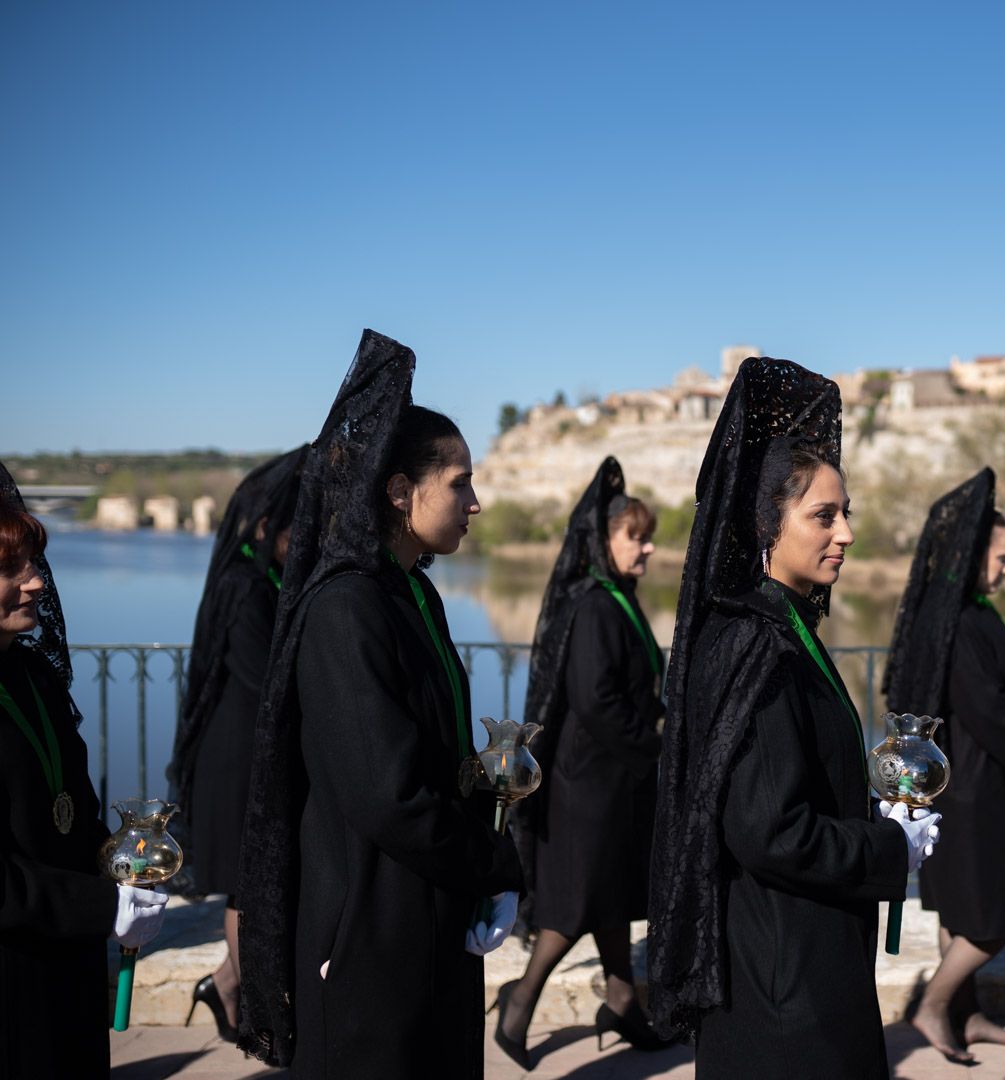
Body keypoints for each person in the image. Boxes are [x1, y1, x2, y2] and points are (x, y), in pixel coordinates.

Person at [235, 330, 523, 1077]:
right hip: (369, 937)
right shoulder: (347, 607)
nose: (475, 502)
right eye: (458, 483)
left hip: (425, 917)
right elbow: (387, 793)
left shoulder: (409, 589)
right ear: (400, 492)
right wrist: (492, 863)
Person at [647, 356, 940, 1079]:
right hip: (783, 991)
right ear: (765, 525)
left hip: (801, 965)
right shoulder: (755, 644)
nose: (844, 533)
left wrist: (874, 810)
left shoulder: (782, 629)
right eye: (823, 516)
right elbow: (769, 831)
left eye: (846, 515)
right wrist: (887, 852)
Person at [497, 457, 668, 1065]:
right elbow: (596, 702)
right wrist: (658, 747)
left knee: (611, 894)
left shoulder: (617, 598)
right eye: (636, 537)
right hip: (587, 781)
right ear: (603, 540)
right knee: (574, 905)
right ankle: (517, 1009)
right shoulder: (597, 605)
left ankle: (621, 1001)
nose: (647, 549)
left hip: (611, 778)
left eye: (649, 537)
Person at [0, 462, 168, 1074]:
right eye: (10, 569)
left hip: (61, 960)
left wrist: (124, 859)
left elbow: (69, 810)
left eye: (34, 564)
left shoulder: (33, 674)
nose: (37, 583)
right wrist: (101, 909)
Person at [882, 468, 1005, 1063]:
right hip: (976, 792)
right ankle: (934, 1005)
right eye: (1001, 558)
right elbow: (989, 714)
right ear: (972, 556)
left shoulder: (964, 610)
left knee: (963, 909)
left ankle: (968, 1012)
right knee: (992, 919)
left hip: (966, 785)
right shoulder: (960, 621)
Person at [168, 445, 305, 1041]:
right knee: (247, 888)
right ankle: (245, 997)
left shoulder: (266, 576)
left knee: (258, 885)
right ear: (269, 524)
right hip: (234, 761)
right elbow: (263, 676)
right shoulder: (243, 586)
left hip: (253, 754)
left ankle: (227, 985)